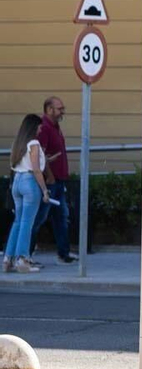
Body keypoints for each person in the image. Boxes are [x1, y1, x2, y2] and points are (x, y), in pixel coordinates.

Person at [6, 113, 50, 273]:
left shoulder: (18, 143)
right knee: (27, 223)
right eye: (39, 127)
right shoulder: (34, 143)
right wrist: (45, 190)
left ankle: (8, 259)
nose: (40, 130)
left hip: (17, 182)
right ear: (33, 127)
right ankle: (23, 260)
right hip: (29, 182)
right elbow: (36, 169)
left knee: (17, 221)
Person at [34, 97, 74, 264]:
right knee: (39, 218)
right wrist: (49, 176)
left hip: (59, 181)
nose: (62, 111)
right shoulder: (44, 128)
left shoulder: (55, 127)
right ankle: (24, 255)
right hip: (51, 182)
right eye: (59, 108)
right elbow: (40, 155)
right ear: (49, 109)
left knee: (61, 216)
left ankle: (63, 254)